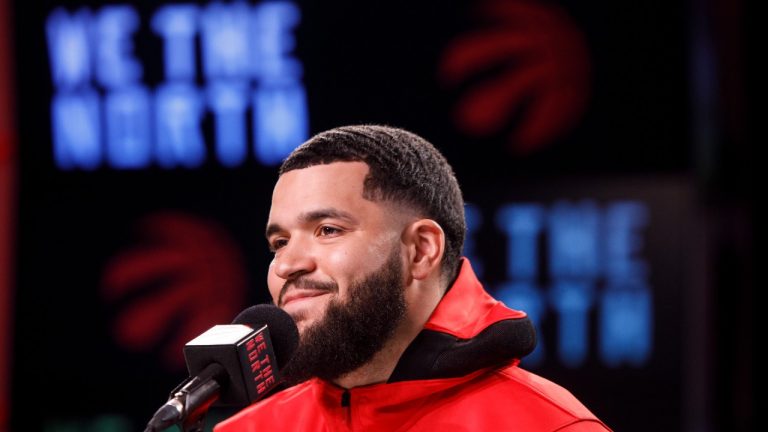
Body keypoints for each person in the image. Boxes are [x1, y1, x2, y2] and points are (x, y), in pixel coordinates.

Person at [215, 125, 611, 431]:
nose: (287, 265)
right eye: (279, 242)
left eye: (328, 230)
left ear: (421, 250)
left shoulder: (550, 426)